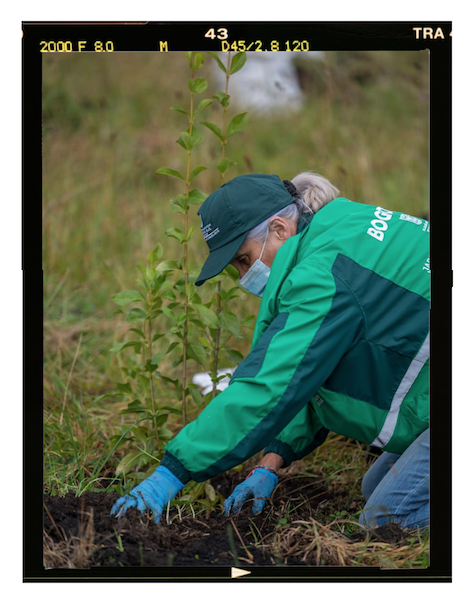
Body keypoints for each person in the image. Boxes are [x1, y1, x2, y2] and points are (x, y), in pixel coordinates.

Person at [111, 172, 430, 531]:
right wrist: (270, 462)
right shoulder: (341, 231)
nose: (245, 275)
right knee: (375, 486)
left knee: (385, 521)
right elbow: (312, 371)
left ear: (280, 229)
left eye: (244, 259)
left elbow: (271, 384)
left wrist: (172, 473)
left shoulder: (326, 276)